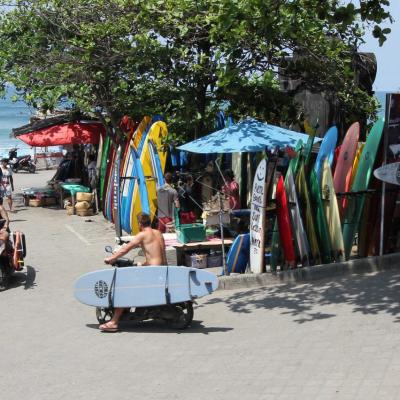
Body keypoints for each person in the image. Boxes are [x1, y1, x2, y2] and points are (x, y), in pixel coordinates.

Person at [99, 213, 167, 332]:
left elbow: (127, 248)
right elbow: (158, 256)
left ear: (139, 224)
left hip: (152, 272)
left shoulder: (142, 235)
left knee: (125, 290)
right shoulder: (158, 233)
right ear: (150, 222)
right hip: (162, 270)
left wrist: (112, 258)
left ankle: (114, 322)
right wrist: (143, 264)